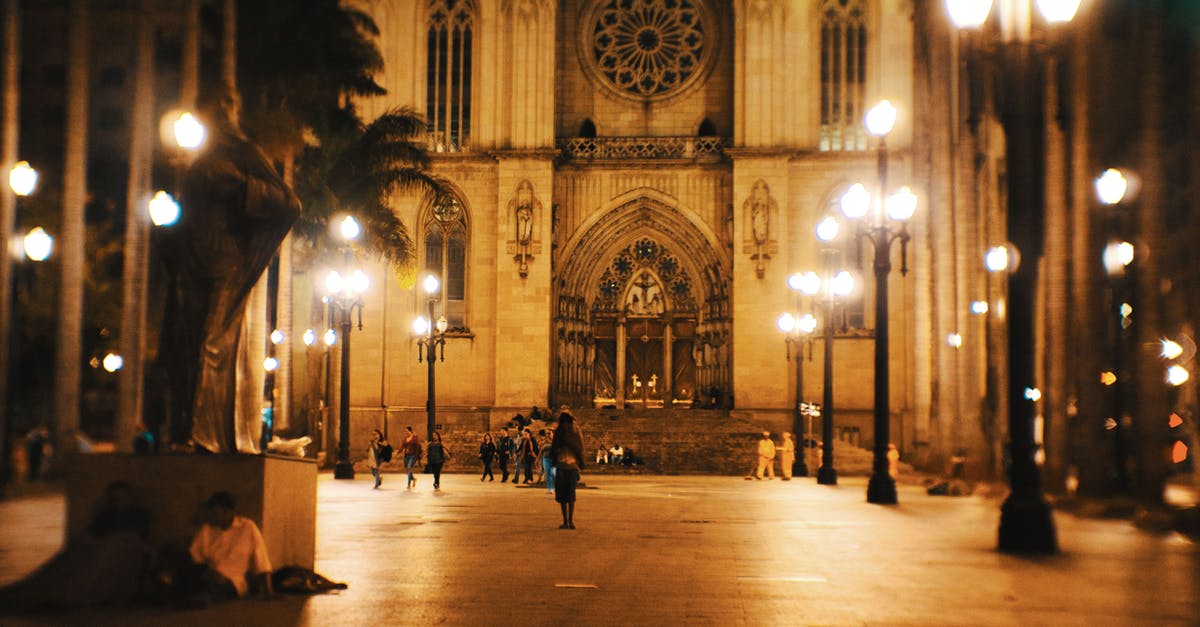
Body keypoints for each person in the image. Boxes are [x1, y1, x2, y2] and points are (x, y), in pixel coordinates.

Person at [158, 83, 301, 454]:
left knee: (213, 343)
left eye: (229, 104)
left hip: (229, 262)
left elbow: (288, 203)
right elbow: (181, 215)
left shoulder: (244, 153)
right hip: (194, 262)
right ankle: (185, 433)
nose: (223, 111)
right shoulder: (195, 162)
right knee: (187, 348)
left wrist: (238, 183)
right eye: (215, 105)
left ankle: (203, 437)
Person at [0, 481, 153, 611]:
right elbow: (91, 534)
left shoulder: (138, 515)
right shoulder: (107, 515)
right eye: (118, 497)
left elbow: (135, 538)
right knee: (64, 565)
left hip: (112, 553)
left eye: (124, 496)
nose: (122, 500)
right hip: (94, 552)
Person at [185, 491, 273, 603]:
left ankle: (202, 596)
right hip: (208, 575)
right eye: (211, 513)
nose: (213, 517)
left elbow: (262, 561)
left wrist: (268, 591)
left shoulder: (247, 527)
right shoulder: (206, 529)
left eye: (216, 513)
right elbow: (194, 557)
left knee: (216, 587)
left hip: (232, 581)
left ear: (229, 512)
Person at [549, 410, 585, 529]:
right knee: (570, 495)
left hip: (561, 465)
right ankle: (571, 521)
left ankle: (565, 521)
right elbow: (580, 447)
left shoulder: (560, 431)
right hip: (572, 465)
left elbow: (554, 448)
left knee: (563, 496)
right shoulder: (575, 431)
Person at [539, 429, 556, 494]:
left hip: (554, 459)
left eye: (549, 433)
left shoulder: (556, 441)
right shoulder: (544, 442)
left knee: (554, 473)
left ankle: (555, 487)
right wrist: (538, 459)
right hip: (546, 459)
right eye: (547, 433)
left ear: (553, 434)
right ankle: (550, 489)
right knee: (548, 474)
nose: (548, 435)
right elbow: (541, 451)